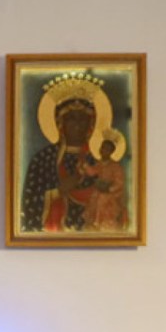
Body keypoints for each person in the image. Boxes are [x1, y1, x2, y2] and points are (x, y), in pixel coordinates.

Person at [21, 97, 100, 233]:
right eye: (71, 119)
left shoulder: (98, 161)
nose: (77, 125)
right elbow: (30, 202)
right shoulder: (43, 159)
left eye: (82, 119)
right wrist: (57, 192)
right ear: (60, 123)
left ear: (90, 124)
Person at [82, 134, 128, 231]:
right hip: (98, 194)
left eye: (107, 149)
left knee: (103, 201)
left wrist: (108, 188)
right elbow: (92, 172)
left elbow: (119, 183)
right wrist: (84, 165)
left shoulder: (116, 166)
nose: (104, 151)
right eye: (103, 148)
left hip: (110, 196)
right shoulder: (99, 164)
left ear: (111, 152)